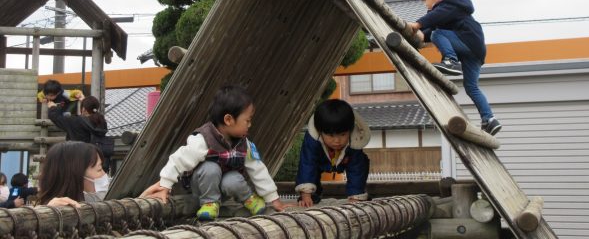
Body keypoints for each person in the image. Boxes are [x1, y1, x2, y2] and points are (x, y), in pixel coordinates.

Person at [151, 85, 291, 221]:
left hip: (224, 189)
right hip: (202, 187)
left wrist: (273, 199)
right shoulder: (203, 139)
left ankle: (248, 198)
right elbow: (179, 160)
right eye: (247, 120)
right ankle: (209, 204)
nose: (250, 125)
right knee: (210, 168)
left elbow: (258, 169)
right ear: (228, 119)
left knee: (234, 178)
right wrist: (165, 185)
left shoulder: (244, 144)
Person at [407, 0, 501, 135]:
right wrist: (420, 33)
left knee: (438, 34)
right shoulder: (449, 9)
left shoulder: (452, 4)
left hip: (468, 42)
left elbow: (436, 18)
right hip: (475, 52)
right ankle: (489, 120)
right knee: (471, 87)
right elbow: (434, 24)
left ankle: (451, 60)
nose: (425, 4)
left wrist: (418, 24)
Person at [37, 141, 161, 207]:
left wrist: (141, 200)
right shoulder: (51, 208)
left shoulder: (88, 200)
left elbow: (114, 209)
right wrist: (47, 211)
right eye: (99, 169)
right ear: (75, 175)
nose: (104, 175)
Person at [295, 99, 371, 207]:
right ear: (320, 131)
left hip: (345, 161)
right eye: (331, 135)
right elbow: (307, 164)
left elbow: (356, 171)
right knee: (311, 168)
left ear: (350, 130)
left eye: (343, 134)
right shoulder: (313, 140)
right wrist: (306, 195)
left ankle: (358, 194)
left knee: (361, 163)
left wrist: (356, 198)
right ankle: (313, 194)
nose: (337, 141)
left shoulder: (355, 142)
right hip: (320, 161)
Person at [48, 96, 113, 172]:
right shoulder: (101, 122)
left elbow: (55, 117)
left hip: (77, 164)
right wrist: (86, 103)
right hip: (96, 164)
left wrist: (53, 107)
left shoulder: (75, 121)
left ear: (83, 109)